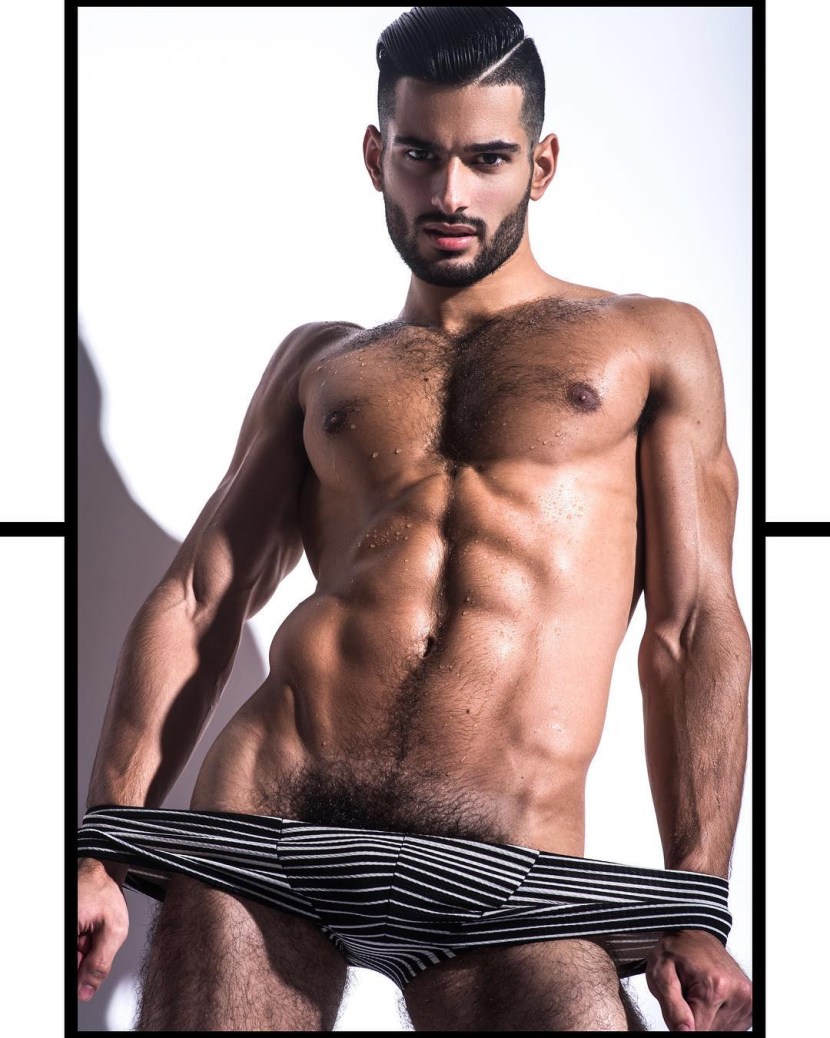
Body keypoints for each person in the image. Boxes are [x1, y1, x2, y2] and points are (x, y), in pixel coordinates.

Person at [77, 6, 752, 1031]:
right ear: (375, 156)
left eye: (487, 159)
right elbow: (202, 598)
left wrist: (695, 898)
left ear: (541, 164)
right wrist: (102, 844)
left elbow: (693, 625)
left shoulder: (649, 344)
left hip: (511, 857)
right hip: (273, 821)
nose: (449, 194)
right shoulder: (320, 363)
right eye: (419, 155)